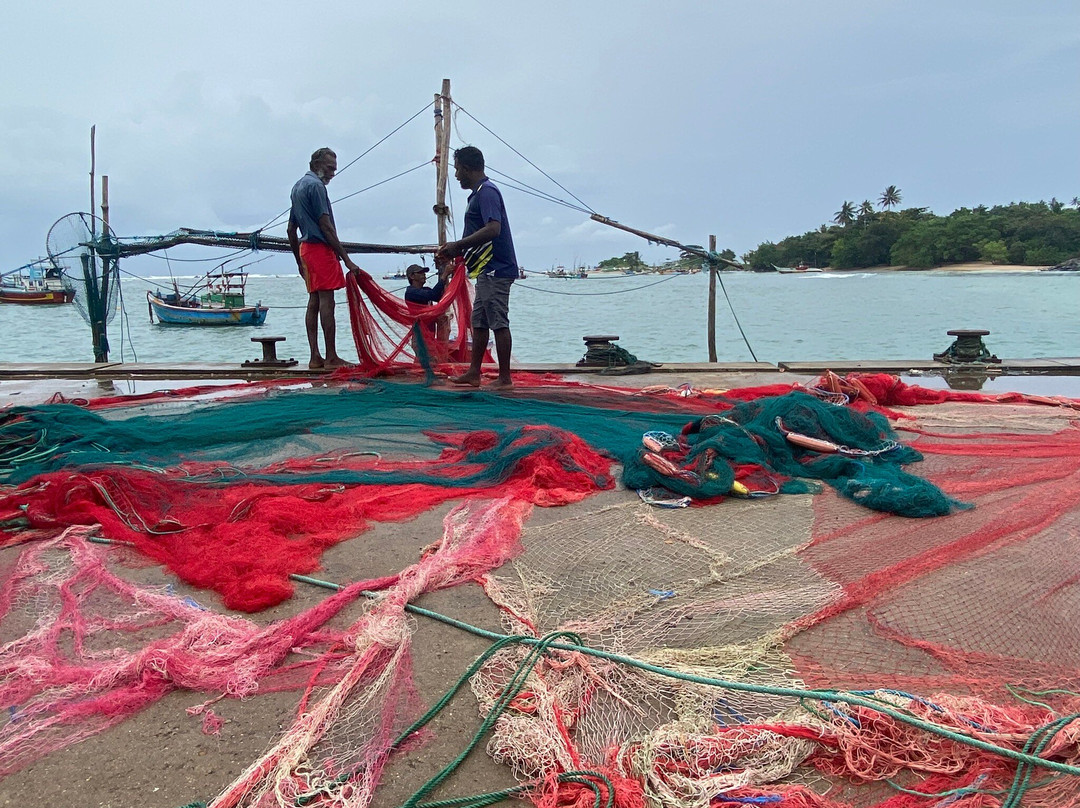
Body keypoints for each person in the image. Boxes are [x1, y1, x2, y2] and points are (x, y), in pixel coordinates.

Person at [435, 146, 517, 389]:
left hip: (497, 269)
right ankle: (474, 372)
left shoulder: (487, 192)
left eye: (458, 169)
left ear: (469, 168)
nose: (457, 174)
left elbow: (494, 228)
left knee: (498, 321)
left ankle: (504, 378)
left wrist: (458, 245)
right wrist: (457, 250)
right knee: (479, 321)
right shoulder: (478, 194)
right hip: (485, 270)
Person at [288, 147, 361, 369]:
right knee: (327, 302)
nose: (332, 173)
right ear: (317, 164)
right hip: (319, 248)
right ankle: (331, 357)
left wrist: (298, 261)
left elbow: (291, 229)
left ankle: (315, 357)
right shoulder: (316, 187)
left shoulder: (297, 187)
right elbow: (326, 226)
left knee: (314, 301)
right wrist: (346, 259)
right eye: (330, 168)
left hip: (306, 251)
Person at [403, 262, 452, 350]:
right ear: (412, 276)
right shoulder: (411, 292)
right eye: (420, 273)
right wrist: (444, 275)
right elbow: (433, 295)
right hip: (420, 336)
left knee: (430, 360)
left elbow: (439, 296)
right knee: (427, 361)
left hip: (429, 334)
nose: (424, 275)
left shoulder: (425, 290)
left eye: (424, 273)